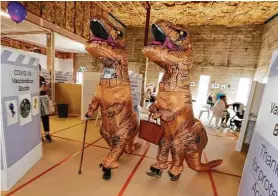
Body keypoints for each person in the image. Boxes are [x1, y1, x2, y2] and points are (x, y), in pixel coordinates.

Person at [39, 65, 52, 142]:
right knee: (37, 120)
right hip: (36, 101)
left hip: (43, 100)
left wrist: (46, 88)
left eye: (39, 69)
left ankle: (47, 134)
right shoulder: (31, 79)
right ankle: (39, 136)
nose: (38, 71)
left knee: (45, 117)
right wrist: (38, 89)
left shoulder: (42, 78)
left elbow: (45, 88)